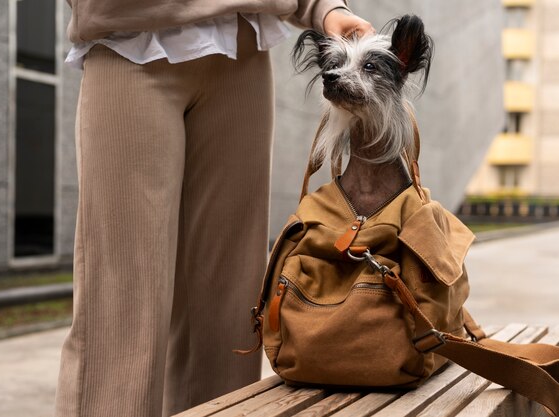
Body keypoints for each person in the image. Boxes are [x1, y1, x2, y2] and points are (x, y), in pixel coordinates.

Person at [54, 1, 374, 416]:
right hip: (130, 43)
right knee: (123, 293)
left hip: (241, 55)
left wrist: (324, 9)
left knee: (229, 294)